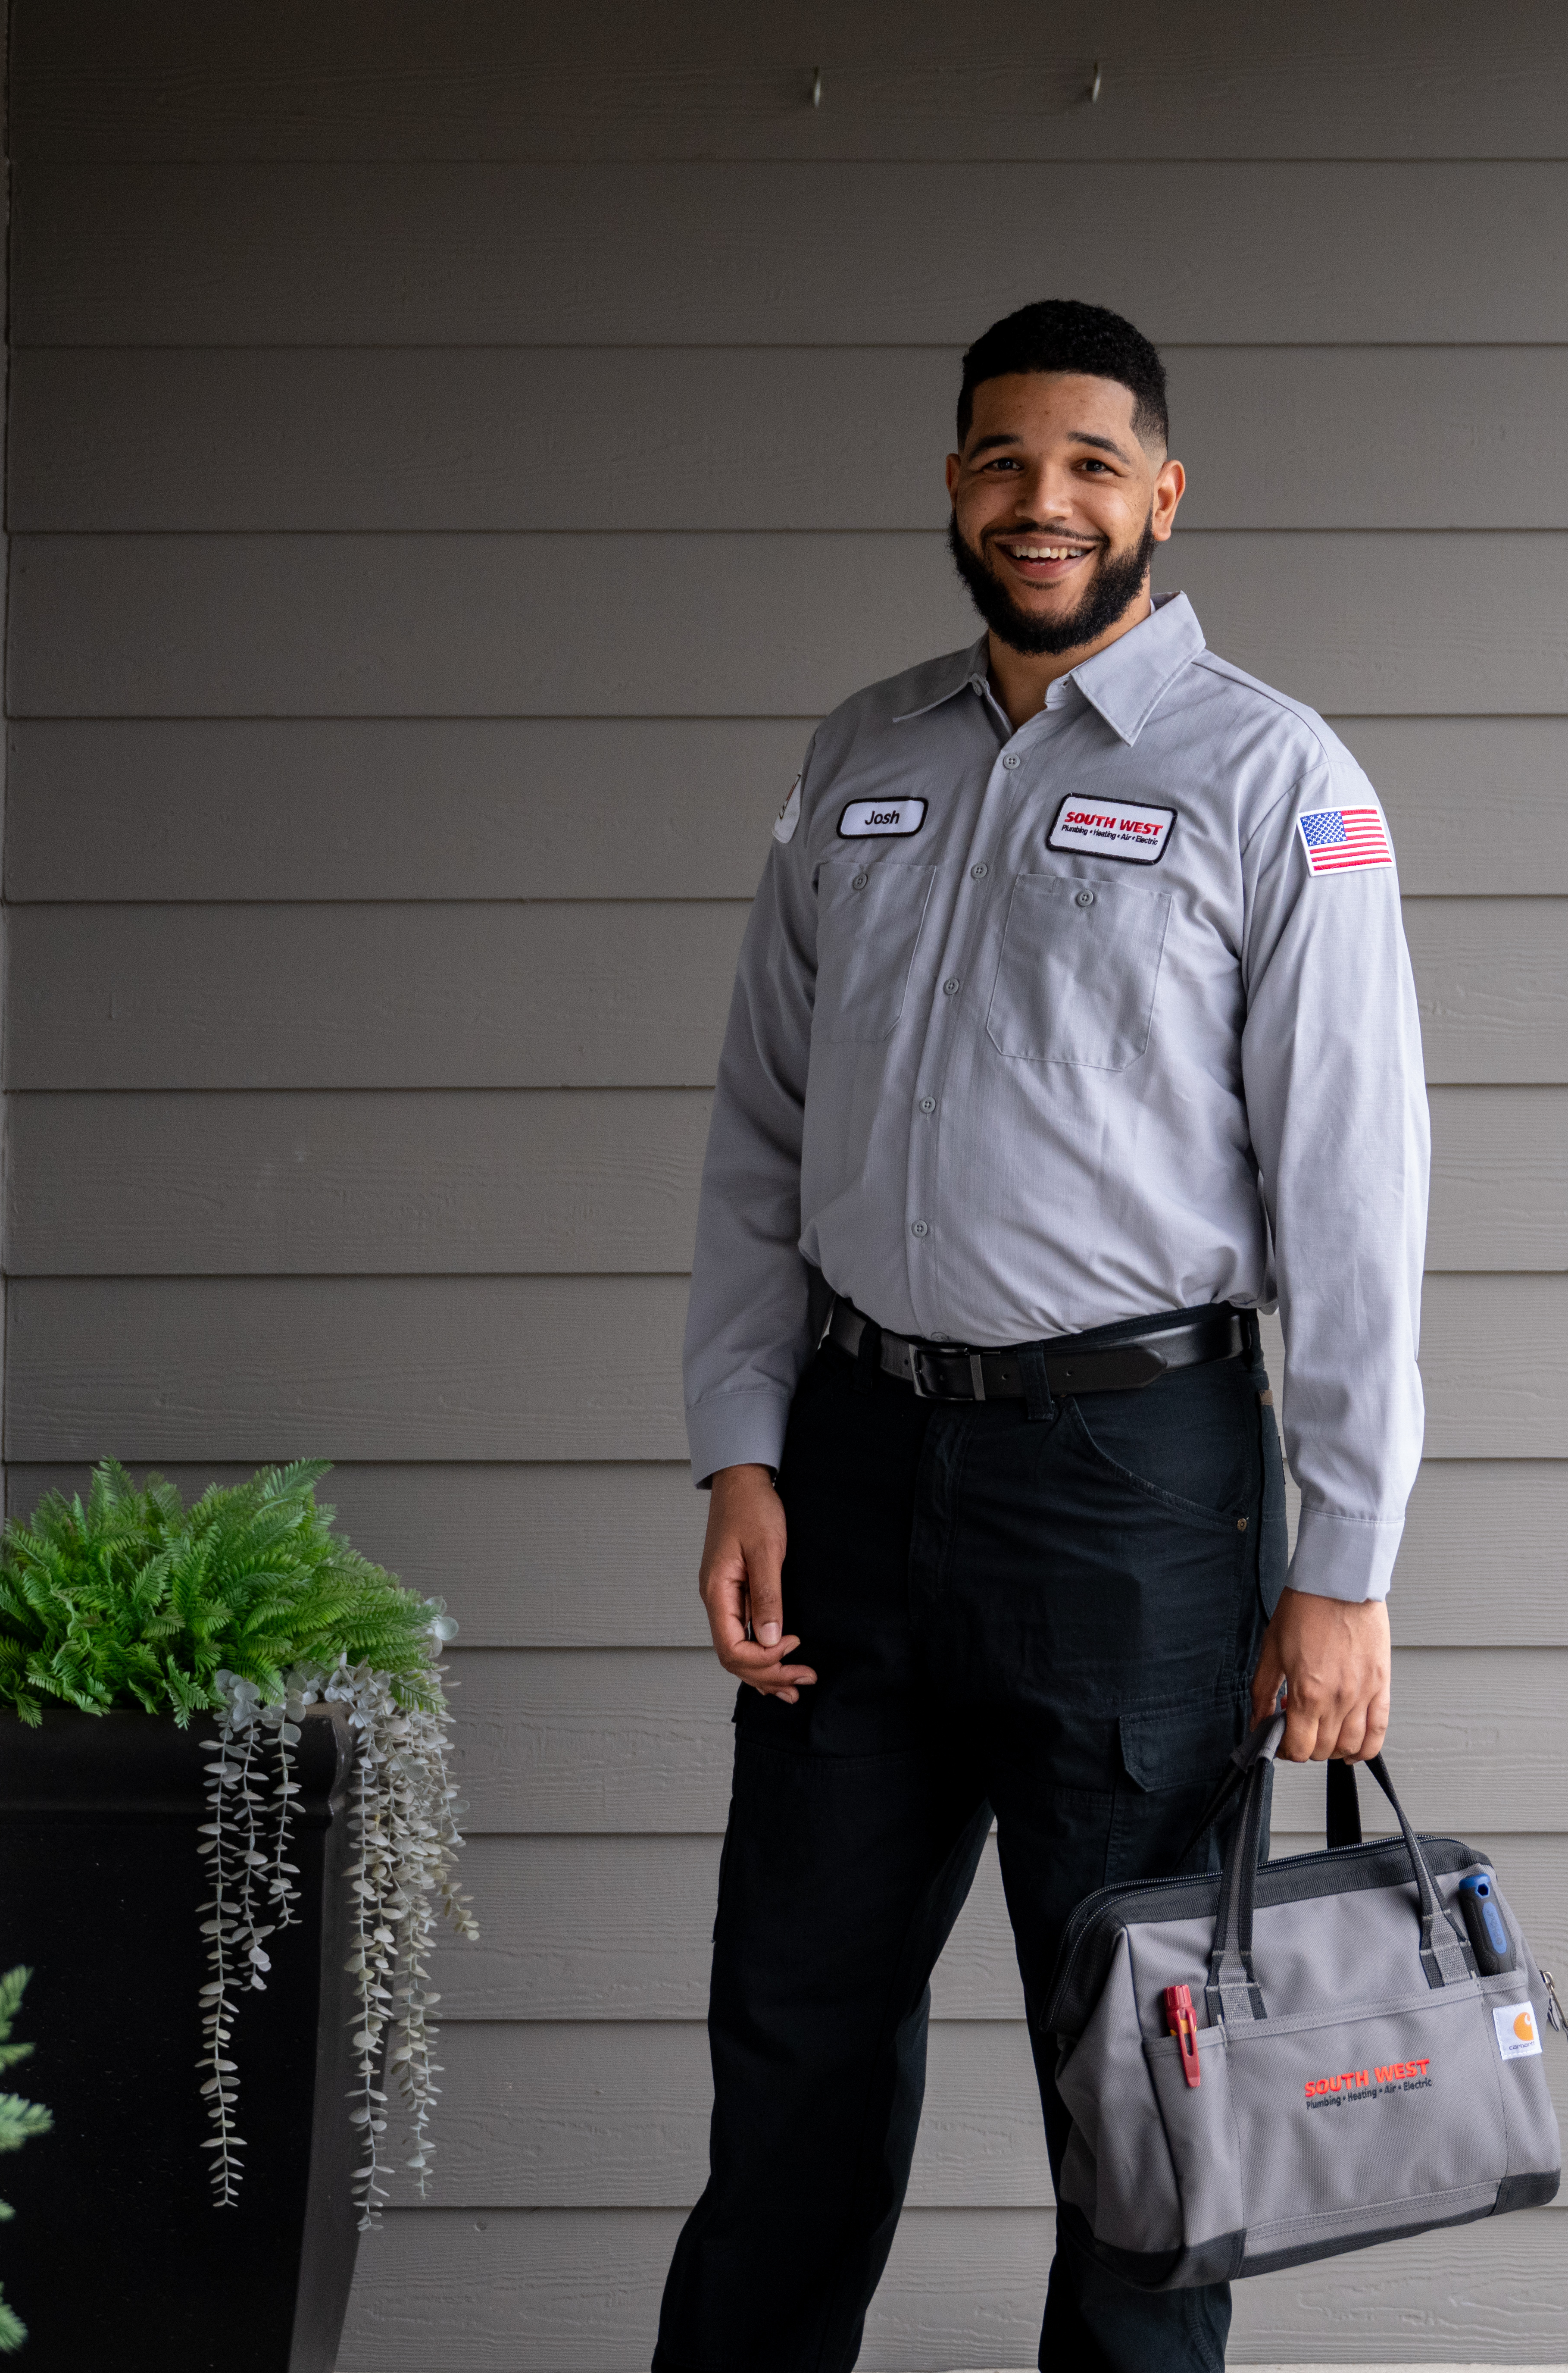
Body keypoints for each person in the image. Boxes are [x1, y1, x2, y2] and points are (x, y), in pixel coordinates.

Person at [659, 298, 1431, 2373]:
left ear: (1163, 495)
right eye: (1005, 460)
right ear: (954, 486)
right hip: (852, 1463)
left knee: (1146, 2081)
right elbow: (760, 1133)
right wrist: (744, 1442)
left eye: (1091, 464)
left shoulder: (1273, 775)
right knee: (794, 2037)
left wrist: (1346, 1561)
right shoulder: (860, 757)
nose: (1045, 501)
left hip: (1133, 1495)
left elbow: (1357, 1196)